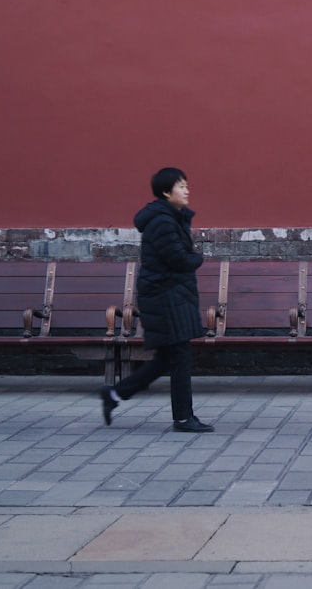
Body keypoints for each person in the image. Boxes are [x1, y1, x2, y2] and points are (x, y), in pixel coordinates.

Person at [99, 167, 214, 432]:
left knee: (167, 359)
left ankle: (114, 394)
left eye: (187, 185)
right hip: (166, 298)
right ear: (166, 192)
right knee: (180, 356)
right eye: (181, 186)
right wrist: (198, 258)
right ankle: (184, 418)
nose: (187, 190)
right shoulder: (163, 221)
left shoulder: (169, 217)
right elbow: (177, 259)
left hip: (168, 296)